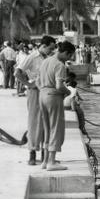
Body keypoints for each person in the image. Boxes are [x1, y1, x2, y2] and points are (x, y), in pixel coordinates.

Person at [16, 35, 56, 165]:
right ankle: (32, 153)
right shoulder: (32, 57)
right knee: (34, 122)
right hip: (35, 91)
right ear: (43, 46)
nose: (51, 51)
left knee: (48, 122)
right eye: (50, 48)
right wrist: (28, 84)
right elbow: (17, 72)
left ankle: (46, 154)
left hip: (47, 91)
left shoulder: (50, 57)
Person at [37, 41, 76, 171]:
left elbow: (37, 82)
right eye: (69, 56)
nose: (69, 59)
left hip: (42, 95)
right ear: (65, 53)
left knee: (47, 129)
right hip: (53, 97)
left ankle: (44, 161)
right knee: (56, 129)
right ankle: (52, 162)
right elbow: (59, 86)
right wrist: (68, 92)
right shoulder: (59, 65)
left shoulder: (45, 61)